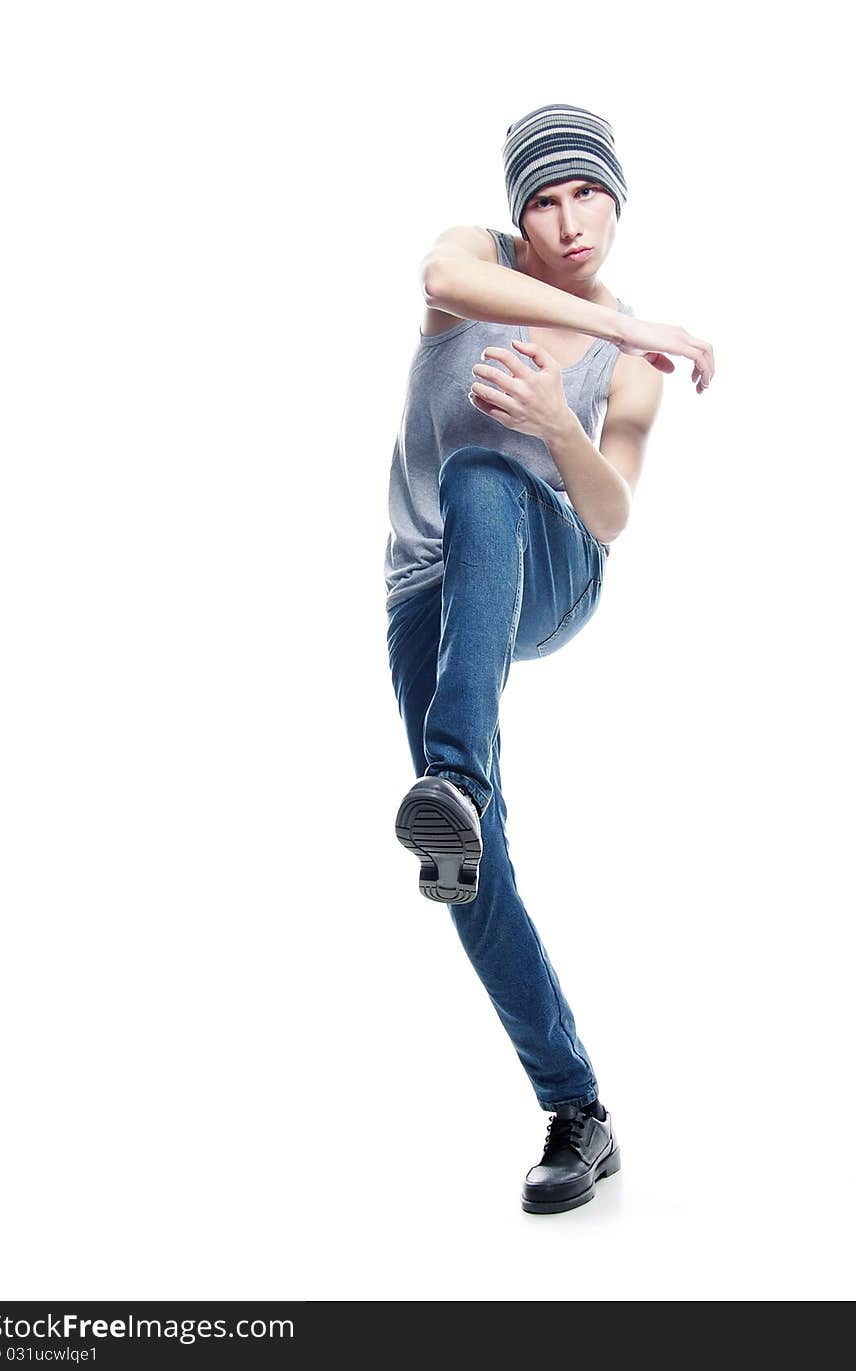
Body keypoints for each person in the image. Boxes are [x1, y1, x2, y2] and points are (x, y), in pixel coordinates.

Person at [383, 103, 714, 1215]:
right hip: (427, 586)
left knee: (485, 472)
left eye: (589, 195)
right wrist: (629, 328)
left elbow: (612, 513)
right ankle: (577, 1111)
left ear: (617, 200)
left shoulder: (630, 358)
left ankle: (456, 782)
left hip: (556, 567)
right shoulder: (472, 262)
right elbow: (449, 276)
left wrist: (562, 416)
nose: (570, 222)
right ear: (516, 211)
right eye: (545, 198)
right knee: (468, 871)